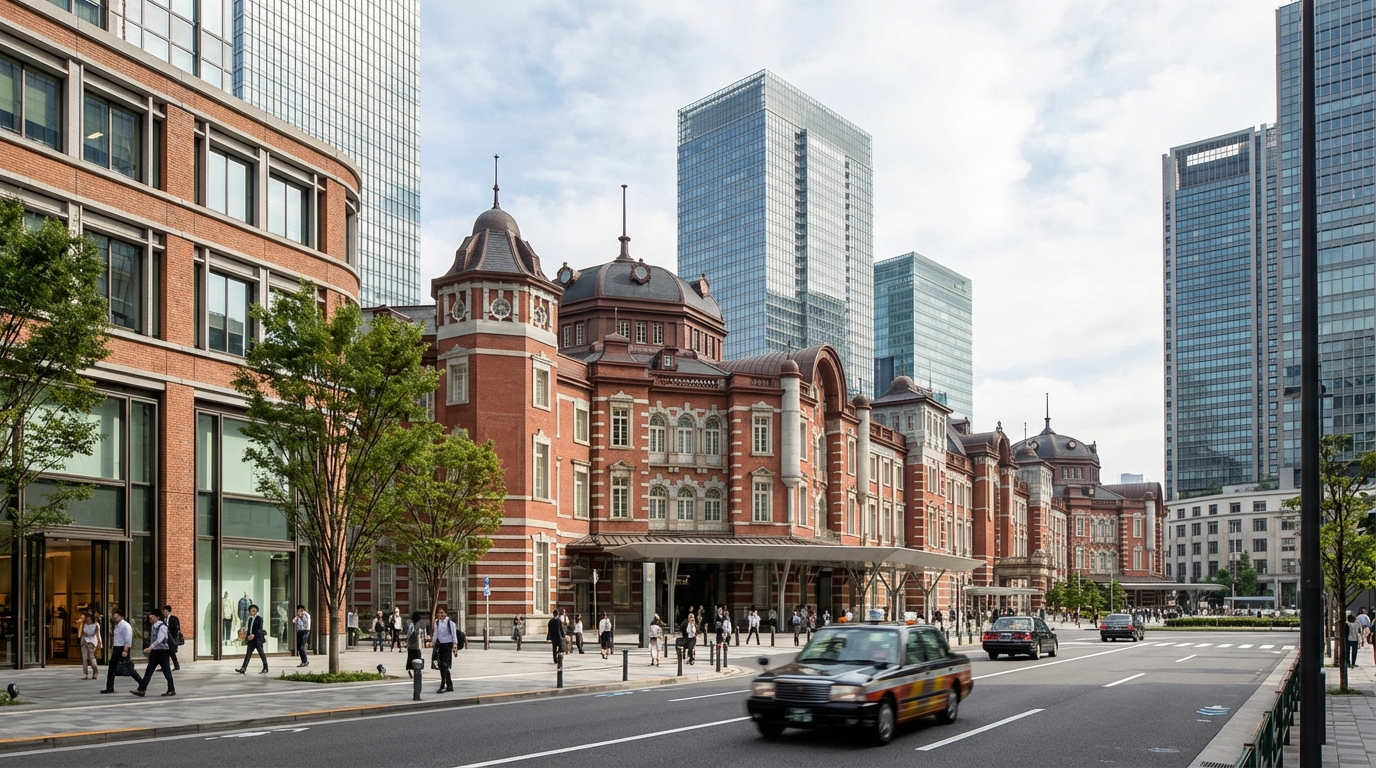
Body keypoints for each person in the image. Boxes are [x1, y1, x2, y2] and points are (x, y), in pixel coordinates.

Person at [131, 610, 174, 697]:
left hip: (162, 652)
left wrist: (150, 648)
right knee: (149, 671)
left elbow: (159, 639)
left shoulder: (162, 627)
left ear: (157, 617)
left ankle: (171, 689)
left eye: (152, 618)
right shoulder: (153, 626)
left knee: (167, 671)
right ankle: (142, 689)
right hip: (155, 652)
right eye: (150, 618)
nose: (150, 620)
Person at [102, 610, 131, 694]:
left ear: (121, 617)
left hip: (122, 648)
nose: (115, 618)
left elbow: (128, 638)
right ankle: (109, 687)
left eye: (117, 617)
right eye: (114, 617)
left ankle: (141, 683)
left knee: (129, 668)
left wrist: (125, 650)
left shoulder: (126, 626)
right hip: (116, 648)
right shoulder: (117, 625)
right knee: (111, 668)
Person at [235, 604, 269, 675]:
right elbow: (249, 629)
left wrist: (254, 635)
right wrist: (247, 637)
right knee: (248, 654)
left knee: (261, 653)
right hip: (251, 640)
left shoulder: (259, 618)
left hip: (257, 639)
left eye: (254, 610)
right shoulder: (250, 619)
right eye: (251, 610)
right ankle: (243, 668)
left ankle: (265, 667)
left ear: (256, 611)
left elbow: (260, 629)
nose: (252, 612)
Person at [431, 606, 458, 694]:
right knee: (441, 666)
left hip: (448, 645)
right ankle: (448, 685)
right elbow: (435, 634)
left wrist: (455, 646)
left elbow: (454, 635)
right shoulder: (437, 623)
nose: (441, 615)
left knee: (445, 666)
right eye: (439, 613)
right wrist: (433, 643)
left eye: (442, 613)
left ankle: (444, 685)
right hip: (440, 646)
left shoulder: (450, 623)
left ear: (446, 613)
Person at [79, 610, 102, 680]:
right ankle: (85, 673)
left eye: (89, 619)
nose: (88, 621)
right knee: (84, 658)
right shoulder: (84, 624)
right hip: (84, 641)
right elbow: (80, 633)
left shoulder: (96, 625)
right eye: (87, 619)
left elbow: (98, 635)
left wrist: (99, 643)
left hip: (91, 642)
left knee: (92, 659)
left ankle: (95, 671)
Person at [161, 605, 183, 671]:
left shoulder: (174, 618)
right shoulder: (163, 619)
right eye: (163, 611)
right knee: (167, 653)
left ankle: (175, 666)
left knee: (171, 653)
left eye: (165, 611)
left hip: (172, 638)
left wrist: (173, 637)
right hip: (165, 639)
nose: (164, 613)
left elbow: (176, 629)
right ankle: (171, 666)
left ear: (168, 612)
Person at [405, 611, 428, 676]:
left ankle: (410, 669)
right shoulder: (421, 624)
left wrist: (407, 642)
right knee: (418, 656)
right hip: (417, 644)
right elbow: (423, 634)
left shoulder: (411, 624)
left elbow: (408, 634)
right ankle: (416, 669)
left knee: (410, 657)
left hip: (411, 645)